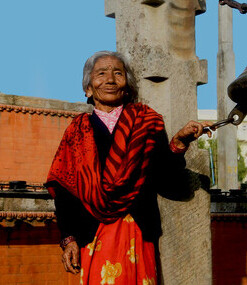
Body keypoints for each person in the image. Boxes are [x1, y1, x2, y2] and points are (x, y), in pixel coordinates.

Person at [45, 50, 212, 285]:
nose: (110, 80)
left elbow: (165, 180)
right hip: (93, 235)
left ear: (128, 86)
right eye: (101, 74)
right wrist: (68, 238)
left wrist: (179, 142)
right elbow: (65, 192)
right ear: (88, 88)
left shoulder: (146, 122)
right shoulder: (76, 132)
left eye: (118, 73)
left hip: (138, 230)